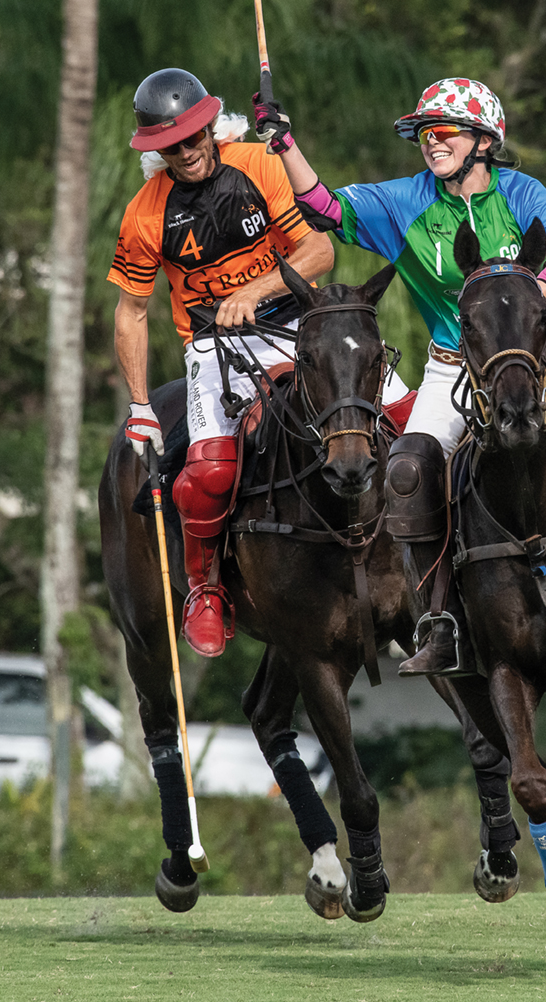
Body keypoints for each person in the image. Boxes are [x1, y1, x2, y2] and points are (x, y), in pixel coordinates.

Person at [253, 77, 546, 676]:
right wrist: (282, 141)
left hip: (539, 358)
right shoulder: (404, 202)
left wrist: (526, 308)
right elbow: (322, 209)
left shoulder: (525, 194)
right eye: (422, 134)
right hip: (451, 365)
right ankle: (441, 619)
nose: (429, 142)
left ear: (483, 139)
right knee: (406, 475)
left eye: (441, 131)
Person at [108, 67, 336, 659]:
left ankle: (425, 551)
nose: (185, 152)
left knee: (393, 415)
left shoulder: (258, 164)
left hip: (290, 324)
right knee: (207, 473)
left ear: (211, 125)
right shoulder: (145, 214)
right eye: (169, 145)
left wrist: (255, 291)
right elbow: (131, 312)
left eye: (192, 137)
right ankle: (205, 591)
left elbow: (319, 250)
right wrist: (139, 406)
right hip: (213, 348)